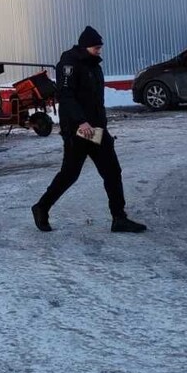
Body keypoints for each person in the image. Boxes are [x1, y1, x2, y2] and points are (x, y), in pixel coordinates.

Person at [32, 25, 147, 234]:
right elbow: (66, 96)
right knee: (70, 174)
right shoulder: (69, 64)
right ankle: (41, 207)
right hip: (78, 130)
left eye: (99, 47)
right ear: (85, 46)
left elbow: (95, 99)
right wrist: (80, 122)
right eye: (96, 48)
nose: (99, 51)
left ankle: (119, 218)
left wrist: (100, 125)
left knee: (112, 171)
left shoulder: (93, 65)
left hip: (96, 130)